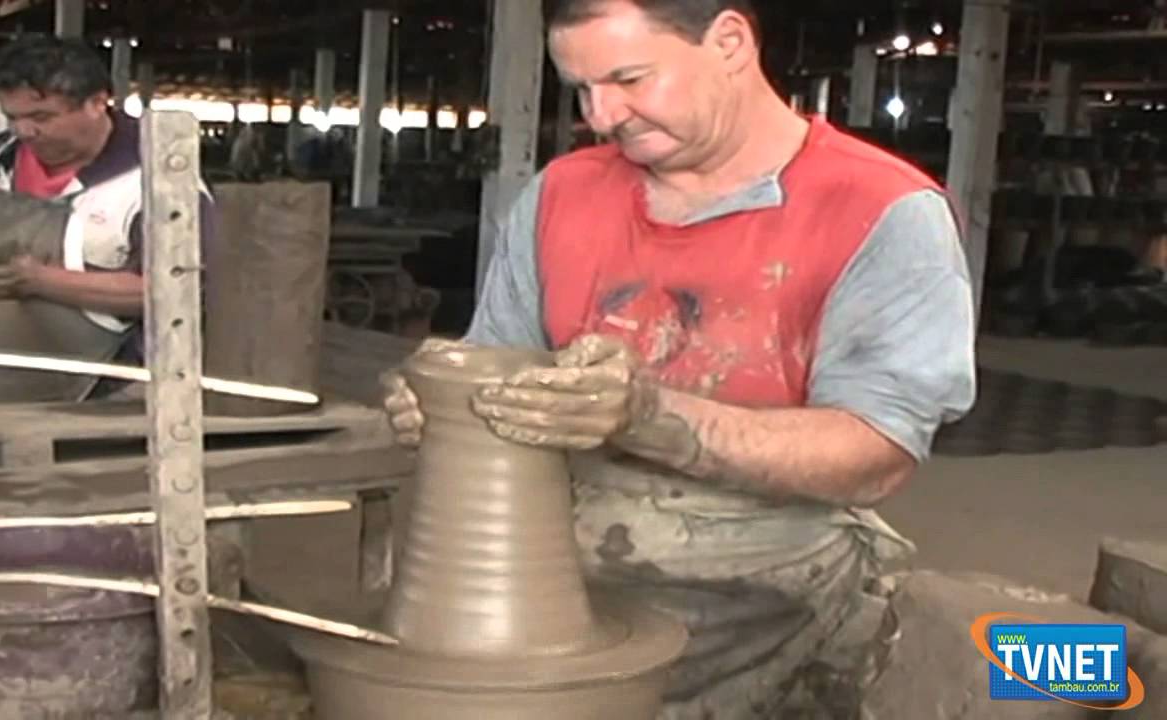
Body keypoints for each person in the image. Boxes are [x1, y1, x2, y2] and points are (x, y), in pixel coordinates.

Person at [383, 1, 977, 718]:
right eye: (582, 89)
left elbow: (877, 454)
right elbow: (492, 368)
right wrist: (435, 399)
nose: (602, 115)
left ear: (728, 42)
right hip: (544, 538)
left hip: (761, 565)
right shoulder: (561, 194)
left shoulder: (883, 209)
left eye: (628, 78)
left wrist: (654, 417)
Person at [0, 36, 215, 386]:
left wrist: (40, 281)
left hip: (97, 380)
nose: (24, 130)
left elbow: (174, 288)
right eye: (13, 116)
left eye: (42, 116)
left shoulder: (160, 176)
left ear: (97, 103)